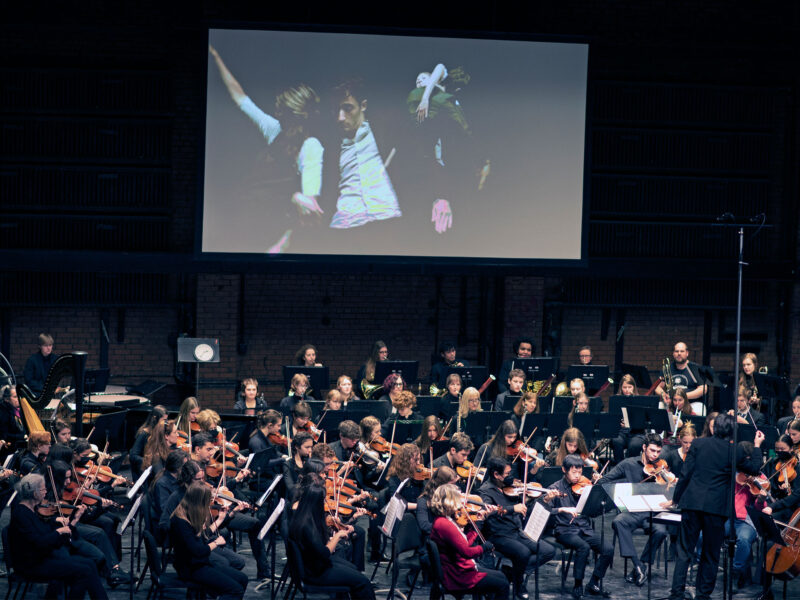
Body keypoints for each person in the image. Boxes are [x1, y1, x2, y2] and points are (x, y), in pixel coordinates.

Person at [208, 45, 323, 254]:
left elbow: (309, 204)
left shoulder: (311, 147)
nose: (278, 115)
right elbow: (241, 99)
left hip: (272, 229)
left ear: (297, 117)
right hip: (248, 215)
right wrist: (216, 57)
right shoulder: (275, 130)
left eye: (283, 113)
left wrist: (282, 243)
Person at [665, 413, 764, 600]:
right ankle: (703, 594)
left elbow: (685, 475)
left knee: (684, 551)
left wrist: (677, 499)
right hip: (715, 508)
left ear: (714, 428)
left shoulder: (698, 444)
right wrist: (757, 446)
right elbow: (755, 468)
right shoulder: (734, 451)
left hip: (692, 504)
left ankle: (676, 593)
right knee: (710, 554)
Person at [10, 473, 109, 600]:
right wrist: (58, 532)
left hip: (42, 557)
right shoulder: (21, 514)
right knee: (84, 570)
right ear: (35, 494)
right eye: (43, 489)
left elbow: (53, 541)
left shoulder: (32, 510)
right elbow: (40, 543)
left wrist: (73, 522)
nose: (46, 492)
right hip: (31, 565)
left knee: (89, 563)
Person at [478, 456, 557, 599]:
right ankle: (519, 585)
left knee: (548, 551)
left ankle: (513, 573)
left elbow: (527, 505)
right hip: (498, 535)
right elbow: (490, 511)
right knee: (523, 553)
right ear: (496, 474)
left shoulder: (511, 488)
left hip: (516, 531)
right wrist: (512, 508)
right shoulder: (485, 491)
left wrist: (544, 499)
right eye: (507, 474)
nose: (511, 477)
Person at [597, 433, 670, 586]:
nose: (655, 455)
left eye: (658, 452)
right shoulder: (628, 464)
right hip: (633, 511)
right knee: (618, 522)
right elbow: (605, 480)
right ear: (644, 448)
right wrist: (623, 486)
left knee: (661, 531)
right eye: (652, 451)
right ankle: (638, 565)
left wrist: (670, 482)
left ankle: (641, 566)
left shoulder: (661, 466)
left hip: (653, 511)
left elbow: (669, 490)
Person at [329, 78, 400, 230]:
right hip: (345, 227)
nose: (340, 117)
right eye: (337, 110)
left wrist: (439, 197)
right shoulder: (332, 147)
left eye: (347, 108)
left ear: (363, 105)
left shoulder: (384, 134)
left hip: (387, 220)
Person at [289, 482, 376, 598]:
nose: (325, 503)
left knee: (354, 569)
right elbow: (324, 553)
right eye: (323, 500)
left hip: (314, 565)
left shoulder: (302, 516)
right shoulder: (307, 525)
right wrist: (337, 535)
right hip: (315, 572)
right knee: (363, 582)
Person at [547, 454, 613, 598]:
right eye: (574, 472)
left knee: (608, 549)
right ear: (564, 470)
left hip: (584, 528)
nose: (577, 476)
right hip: (565, 530)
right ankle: (578, 583)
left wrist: (595, 497)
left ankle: (594, 582)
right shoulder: (555, 488)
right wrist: (561, 509)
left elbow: (593, 512)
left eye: (580, 472)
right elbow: (543, 510)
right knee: (583, 547)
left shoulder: (586, 486)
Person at [430, 483, 509, 599]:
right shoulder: (445, 524)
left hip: (457, 568)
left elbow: (464, 542)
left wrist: (477, 524)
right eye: (459, 497)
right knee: (502, 584)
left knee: (501, 576)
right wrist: (484, 547)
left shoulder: (445, 520)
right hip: (457, 575)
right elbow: (467, 552)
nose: (462, 501)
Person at [170, 482, 248, 600]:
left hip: (200, 563)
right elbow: (198, 550)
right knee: (235, 590)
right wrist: (216, 543)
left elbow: (202, 537)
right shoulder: (181, 521)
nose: (209, 504)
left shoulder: (189, 512)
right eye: (208, 501)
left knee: (242, 578)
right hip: (190, 568)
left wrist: (221, 519)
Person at [129, 405, 167, 479]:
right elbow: (133, 456)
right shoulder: (144, 434)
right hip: (145, 470)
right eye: (163, 420)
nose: (165, 423)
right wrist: (147, 460)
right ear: (155, 419)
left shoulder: (160, 431)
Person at [0, 384, 26, 448]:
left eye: (18, 396)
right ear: (6, 399)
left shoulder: (18, 410)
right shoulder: (3, 412)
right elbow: (4, 435)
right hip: (9, 447)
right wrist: (23, 436)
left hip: (18, 443)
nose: (18, 399)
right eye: (15, 397)